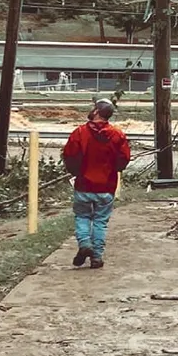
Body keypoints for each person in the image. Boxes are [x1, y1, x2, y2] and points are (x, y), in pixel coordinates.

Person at [62, 99, 131, 269]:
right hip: (106, 186)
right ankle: (97, 257)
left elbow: (69, 156)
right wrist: (113, 169)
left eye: (94, 108)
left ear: (98, 112)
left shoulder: (79, 132)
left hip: (84, 184)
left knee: (82, 216)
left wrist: (76, 172)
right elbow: (123, 159)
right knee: (100, 221)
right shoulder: (117, 134)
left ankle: (85, 243)